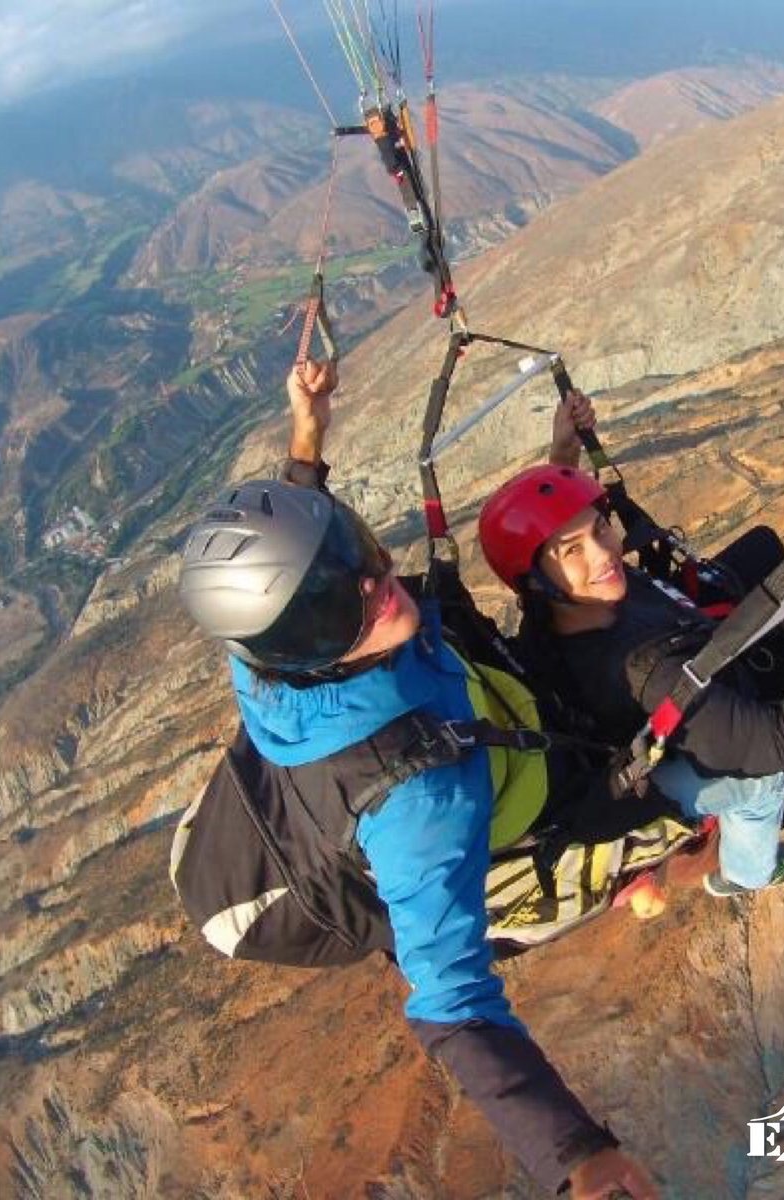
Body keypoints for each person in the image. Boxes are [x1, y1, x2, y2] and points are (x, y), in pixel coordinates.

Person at [174, 360, 660, 1199]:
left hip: (460, 715)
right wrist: (576, 1155)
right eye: (342, 605)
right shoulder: (421, 803)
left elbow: (294, 561)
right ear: (302, 648)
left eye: (354, 553)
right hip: (462, 812)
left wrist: (308, 431)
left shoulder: (271, 654)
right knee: (663, 818)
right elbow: (452, 1000)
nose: (376, 583)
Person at [477, 393, 784, 897]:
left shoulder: (552, 609)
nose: (604, 552)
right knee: (766, 775)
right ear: (537, 581)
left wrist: (564, 456)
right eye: (573, 551)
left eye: (600, 527)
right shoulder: (650, 673)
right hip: (693, 713)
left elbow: (551, 542)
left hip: (679, 629)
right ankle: (745, 872)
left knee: (762, 549)